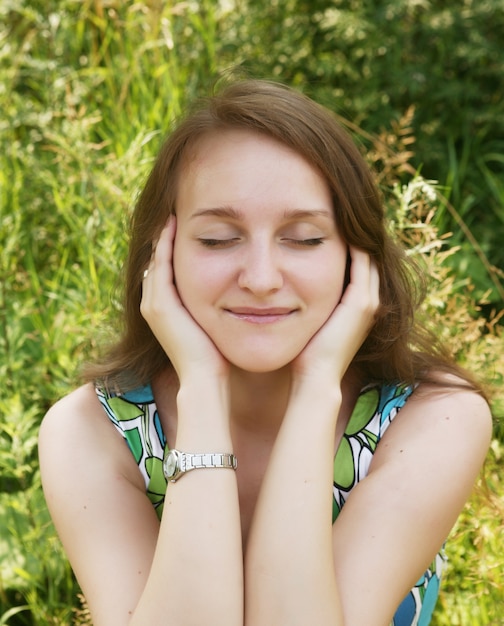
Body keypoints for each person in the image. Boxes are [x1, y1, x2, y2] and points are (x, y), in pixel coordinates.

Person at [39, 79, 492, 626]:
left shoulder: (434, 421)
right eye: (217, 238)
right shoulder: (89, 433)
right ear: (163, 255)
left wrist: (317, 386)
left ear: (357, 256)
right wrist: (201, 388)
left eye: (303, 238)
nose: (260, 278)